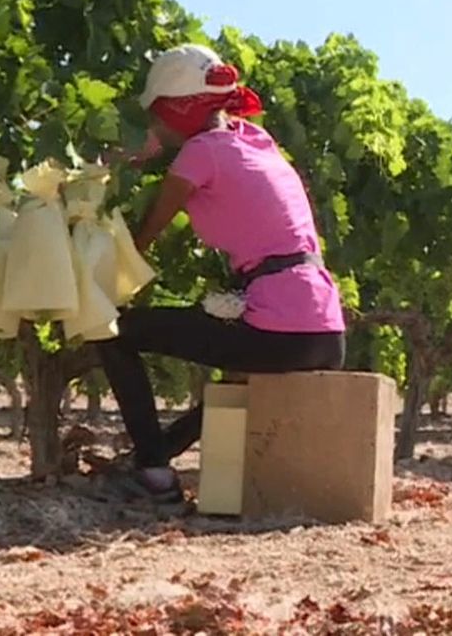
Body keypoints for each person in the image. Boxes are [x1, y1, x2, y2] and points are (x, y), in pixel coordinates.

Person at [98, 44, 347, 503]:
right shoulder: (254, 138)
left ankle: (153, 472)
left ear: (180, 109)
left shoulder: (199, 154)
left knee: (115, 332)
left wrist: (93, 279)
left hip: (280, 327)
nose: (154, 124)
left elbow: (145, 235)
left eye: (159, 114)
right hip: (325, 329)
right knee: (236, 379)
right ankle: (155, 456)